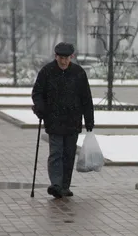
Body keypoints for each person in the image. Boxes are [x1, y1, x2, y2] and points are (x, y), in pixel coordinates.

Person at [31, 42, 94, 198]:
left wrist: (89, 120)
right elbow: (37, 93)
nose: (64, 61)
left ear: (71, 57)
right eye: (61, 58)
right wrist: (41, 108)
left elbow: (86, 98)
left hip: (73, 120)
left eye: (66, 58)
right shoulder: (47, 72)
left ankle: (65, 186)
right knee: (56, 153)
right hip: (54, 120)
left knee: (69, 154)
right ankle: (56, 184)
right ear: (56, 56)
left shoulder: (78, 73)